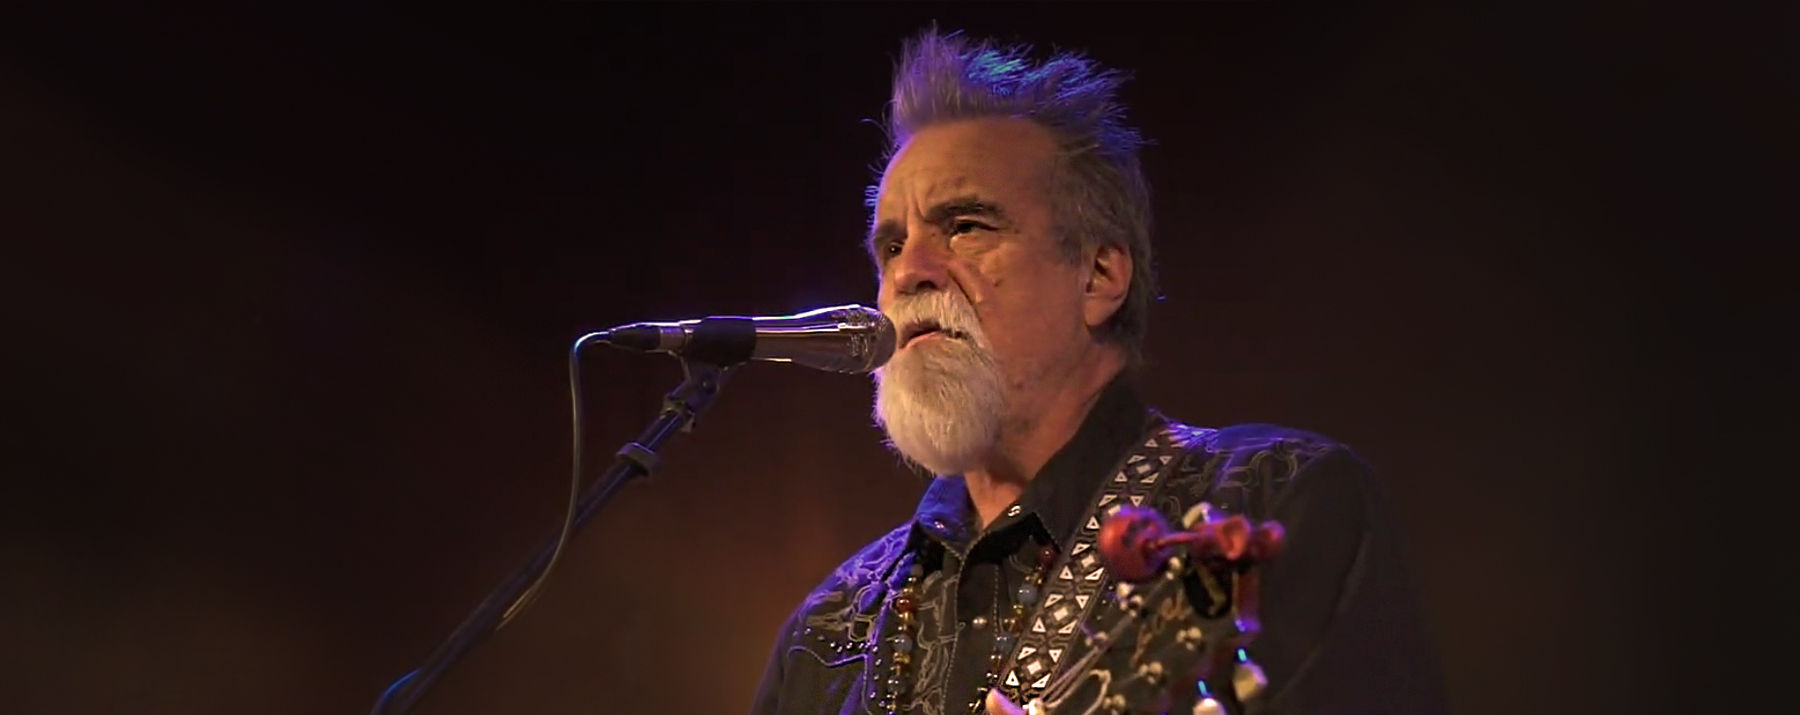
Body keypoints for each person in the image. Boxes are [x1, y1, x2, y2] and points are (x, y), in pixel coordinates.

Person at [751, 28, 1447, 715]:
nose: (909, 273)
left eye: (965, 226)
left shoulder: (1274, 503)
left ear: (1099, 275)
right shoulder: (830, 627)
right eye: (892, 246)